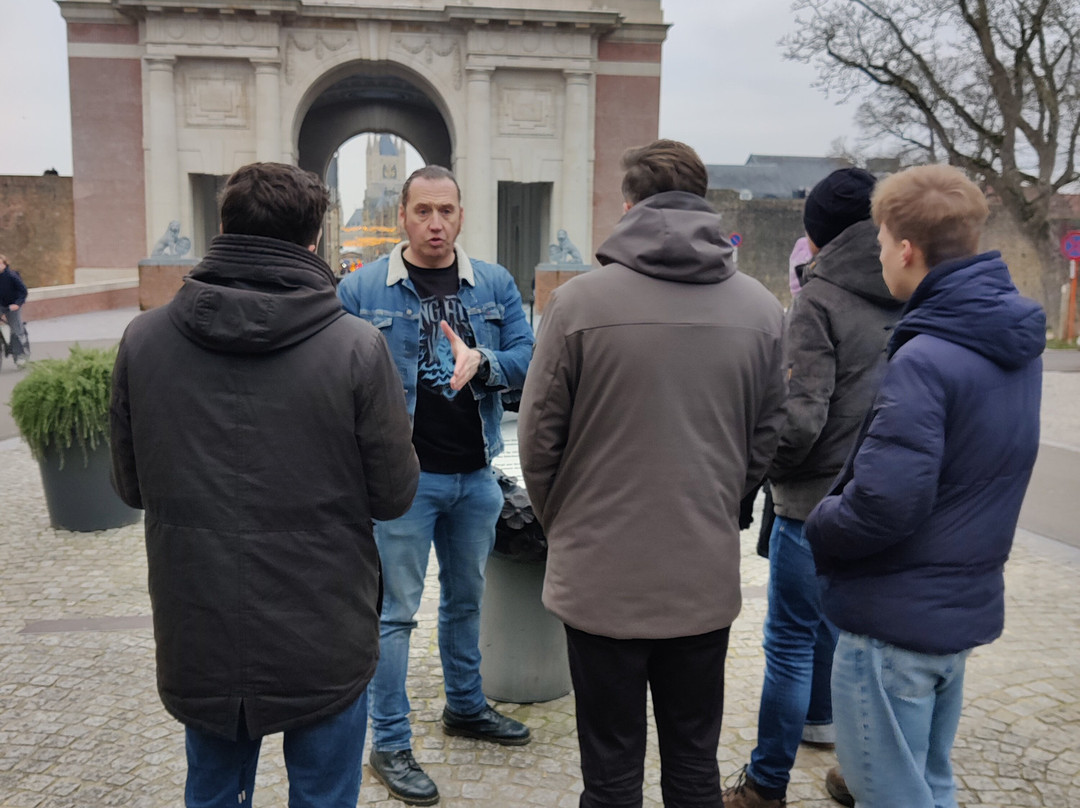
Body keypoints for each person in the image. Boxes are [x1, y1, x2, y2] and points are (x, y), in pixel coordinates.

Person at [110, 162, 420, 808]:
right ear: (314, 240)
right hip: (325, 622)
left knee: (215, 791)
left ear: (222, 226)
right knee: (323, 795)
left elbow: (131, 486)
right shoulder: (358, 348)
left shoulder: (143, 340)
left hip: (200, 615)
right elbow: (394, 494)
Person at [518, 139, 787, 808]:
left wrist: (569, 524)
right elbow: (766, 439)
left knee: (609, 772)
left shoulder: (577, 306)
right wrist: (723, 503)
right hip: (700, 571)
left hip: (599, 573)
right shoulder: (760, 310)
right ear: (704, 202)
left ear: (630, 204)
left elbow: (537, 442)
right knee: (694, 765)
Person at [805, 164, 1045, 808]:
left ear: (906, 249)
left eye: (882, 243)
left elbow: (886, 498)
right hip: (954, 609)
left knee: (891, 794)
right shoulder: (1010, 341)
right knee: (929, 786)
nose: (881, 256)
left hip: (893, 621)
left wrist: (821, 525)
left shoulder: (928, 354)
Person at [337, 164, 534, 806]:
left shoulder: (495, 285)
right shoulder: (363, 290)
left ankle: (466, 707)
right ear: (402, 216)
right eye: (423, 211)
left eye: (446, 210)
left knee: (466, 601)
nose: (436, 224)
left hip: (475, 474)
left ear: (460, 214)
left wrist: (486, 364)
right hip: (404, 483)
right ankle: (388, 741)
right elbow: (331, 378)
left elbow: (531, 358)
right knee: (395, 613)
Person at [723, 168, 904, 808]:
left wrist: (760, 467)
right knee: (870, 644)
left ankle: (766, 784)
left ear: (815, 231)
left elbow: (800, 420)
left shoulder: (819, 299)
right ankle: (861, 775)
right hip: (892, 499)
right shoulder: (919, 286)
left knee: (791, 642)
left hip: (817, 507)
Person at [0, 254, 30, 367]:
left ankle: (19, 356)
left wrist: (17, 304)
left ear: (4, 264)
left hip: (12, 305)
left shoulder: (12, 276)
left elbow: (23, 291)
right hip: (1, 305)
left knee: (16, 329)